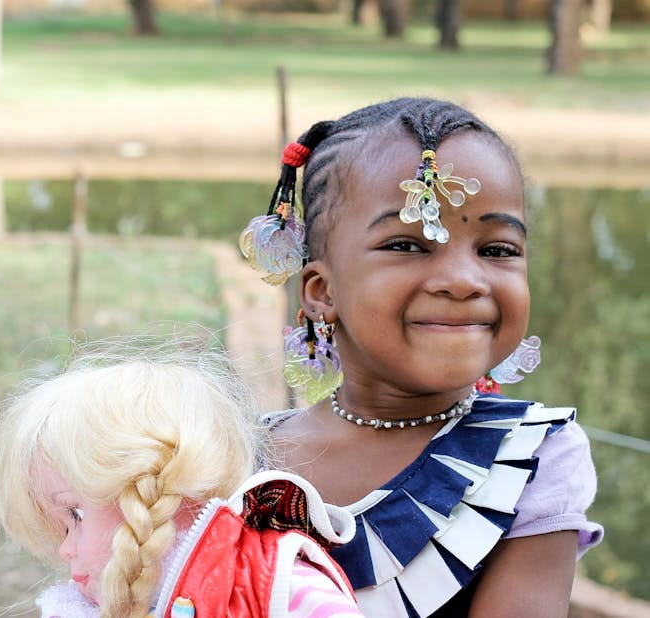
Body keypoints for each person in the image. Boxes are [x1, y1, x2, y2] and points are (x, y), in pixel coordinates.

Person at [241, 97, 604, 618]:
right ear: (322, 292)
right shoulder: (235, 457)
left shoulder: (532, 461)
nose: (463, 280)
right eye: (408, 245)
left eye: (498, 250)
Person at [0, 348, 363, 617]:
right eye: (63, 526)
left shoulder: (279, 588)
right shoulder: (80, 607)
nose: (65, 549)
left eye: (76, 514)